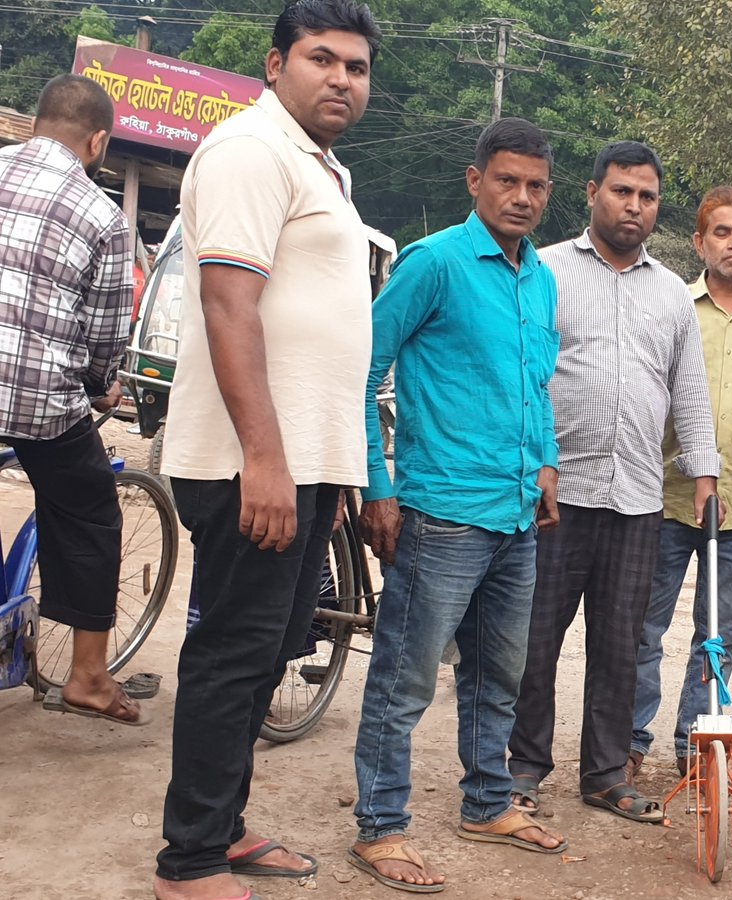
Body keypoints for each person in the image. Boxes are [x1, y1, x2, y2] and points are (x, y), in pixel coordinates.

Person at [154, 3, 380, 897]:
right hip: (253, 463)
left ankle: (226, 825)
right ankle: (190, 860)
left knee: (275, 644)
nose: (341, 79)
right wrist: (266, 459)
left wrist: (325, 465)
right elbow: (227, 305)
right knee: (232, 655)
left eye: (357, 67)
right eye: (321, 60)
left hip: (306, 462)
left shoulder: (320, 164)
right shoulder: (249, 148)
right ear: (275, 62)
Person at [347, 119, 567, 893]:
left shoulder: (539, 279)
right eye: (507, 180)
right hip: (440, 511)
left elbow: (535, 384)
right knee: (405, 679)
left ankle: (486, 802)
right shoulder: (432, 263)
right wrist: (376, 485)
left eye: (536, 185)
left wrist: (546, 464)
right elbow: (364, 366)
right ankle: (380, 826)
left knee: (498, 673)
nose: (522, 197)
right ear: (474, 181)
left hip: (516, 516)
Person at [507, 141, 719, 826]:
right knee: (534, 638)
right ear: (593, 192)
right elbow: (524, 377)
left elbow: (688, 392)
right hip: (554, 494)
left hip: (636, 498)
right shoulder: (545, 272)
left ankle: (603, 774)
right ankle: (522, 769)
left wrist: (705, 472)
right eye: (622, 192)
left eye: (647, 196)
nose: (634, 206)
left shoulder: (672, 292)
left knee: (622, 643)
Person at [0, 75, 142, 724]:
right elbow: (103, 336)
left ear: (34, 123)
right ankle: (88, 677)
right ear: (98, 142)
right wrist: (102, 381)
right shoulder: (101, 216)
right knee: (89, 509)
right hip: (32, 400)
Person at [629, 186, 732, 783]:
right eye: (722, 232)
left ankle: (697, 744)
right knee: (644, 628)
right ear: (699, 241)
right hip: (664, 498)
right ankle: (629, 741)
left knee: (717, 635)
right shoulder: (671, 307)